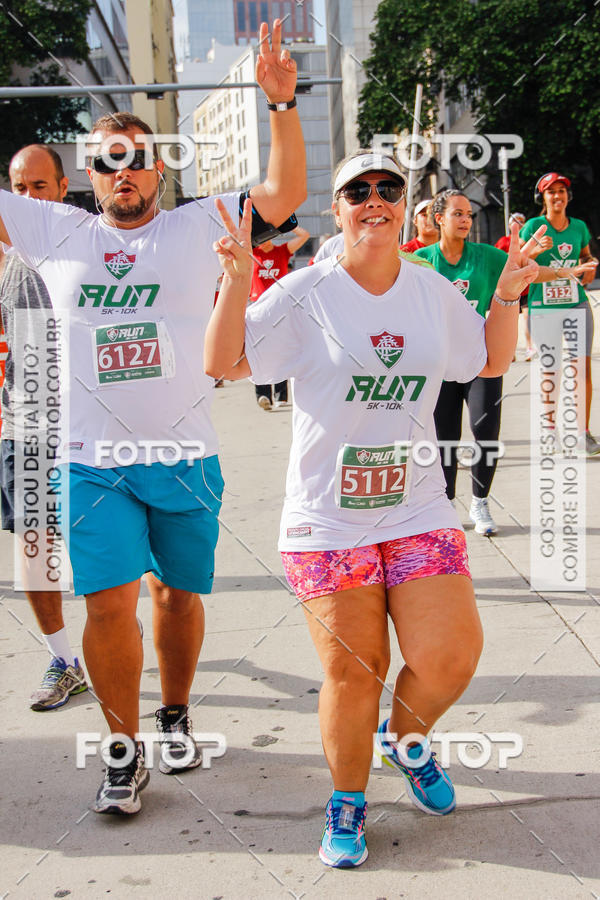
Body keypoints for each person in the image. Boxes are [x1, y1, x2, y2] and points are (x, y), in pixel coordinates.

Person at [0, 18, 305, 816]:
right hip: (87, 459)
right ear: (89, 176)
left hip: (184, 455)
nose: (123, 172)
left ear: (159, 170)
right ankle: (123, 750)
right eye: (108, 162)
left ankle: (174, 713)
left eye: (138, 159)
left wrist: (281, 106)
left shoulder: (197, 223)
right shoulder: (51, 228)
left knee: (176, 596)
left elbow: (284, 195)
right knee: (107, 603)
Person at [204, 150, 539, 867]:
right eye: (360, 189)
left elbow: (486, 360)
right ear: (341, 206)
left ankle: (406, 741)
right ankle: (348, 803)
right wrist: (234, 286)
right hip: (328, 518)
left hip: (416, 507)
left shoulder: (429, 291)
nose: (376, 199)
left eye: (390, 187)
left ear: (403, 201)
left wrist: (507, 294)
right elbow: (225, 363)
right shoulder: (306, 292)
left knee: (451, 655)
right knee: (357, 669)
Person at [414, 191, 594, 534]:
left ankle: (481, 503)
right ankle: (447, 505)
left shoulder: (485, 256)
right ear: (439, 219)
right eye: (458, 214)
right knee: (444, 436)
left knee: (485, 431)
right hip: (439, 364)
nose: (466, 220)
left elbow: (527, 271)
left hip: (483, 359)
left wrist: (566, 272)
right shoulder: (422, 261)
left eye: (469, 214)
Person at [0, 145, 88, 710]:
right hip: (24, 426)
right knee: (35, 550)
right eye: (19, 188)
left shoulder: (88, 244)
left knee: (108, 550)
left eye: (40, 186)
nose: (30, 198)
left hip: (92, 428)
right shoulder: (5, 259)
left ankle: (114, 643)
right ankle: (64, 657)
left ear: (61, 189)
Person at [520, 172, 600, 454]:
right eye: (550, 191)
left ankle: (582, 433)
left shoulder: (578, 227)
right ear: (542, 197)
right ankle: (550, 430)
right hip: (544, 307)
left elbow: (586, 256)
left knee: (581, 369)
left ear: (568, 196)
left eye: (561, 191)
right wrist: (534, 249)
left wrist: (590, 265)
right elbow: (518, 262)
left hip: (576, 304)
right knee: (551, 370)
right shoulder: (534, 226)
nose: (557, 196)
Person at [251, 226, 310, 409]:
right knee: (259, 352)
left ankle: (280, 395)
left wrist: (285, 223)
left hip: (280, 307)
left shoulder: (282, 251)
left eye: (269, 235)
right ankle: (263, 395)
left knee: (281, 350)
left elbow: (304, 235)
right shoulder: (252, 253)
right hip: (258, 309)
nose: (265, 239)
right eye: (261, 235)